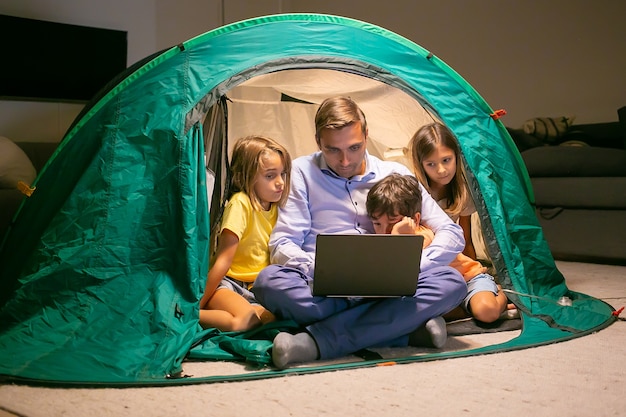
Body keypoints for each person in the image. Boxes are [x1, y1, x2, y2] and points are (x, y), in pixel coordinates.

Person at [251, 96, 467, 369]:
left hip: (391, 286)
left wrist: (415, 265)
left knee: (452, 282)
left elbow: (450, 232)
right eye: (333, 150)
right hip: (323, 288)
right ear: (318, 141)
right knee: (269, 282)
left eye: (354, 147)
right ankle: (404, 331)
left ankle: (315, 343)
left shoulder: (394, 172)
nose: (344, 160)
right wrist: (321, 269)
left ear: (367, 135)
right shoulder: (301, 173)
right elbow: (283, 242)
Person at [365, 173, 512, 323]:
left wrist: (397, 238)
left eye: (392, 223)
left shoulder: (422, 237)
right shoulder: (381, 242)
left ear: (414, 220)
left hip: (468, 278)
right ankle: (463, 310)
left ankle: (503, 295)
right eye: (377, 224)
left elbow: (403, 272)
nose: (384, 231)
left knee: (486, 312)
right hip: (443, 291)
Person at [199, 135, 291, 332]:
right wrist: (200, 301)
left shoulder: (278, 209)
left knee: (276, 321)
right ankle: (189, 315)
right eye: (270, 176)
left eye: (282, 174)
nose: (280, 183)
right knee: (246, 321)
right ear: (245, 177)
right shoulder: (241, 204)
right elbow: (223, 260)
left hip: (257, 290)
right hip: (229, 284)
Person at [407, 123, 478, 259]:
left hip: (449, 258)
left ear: (456, 156)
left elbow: (466, 241)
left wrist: (475, 273)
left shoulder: (462, 193)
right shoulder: (413, 193)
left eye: (446, 160)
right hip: (421, 258)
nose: (441, 170)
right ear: (421, 165)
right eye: (431, 164)